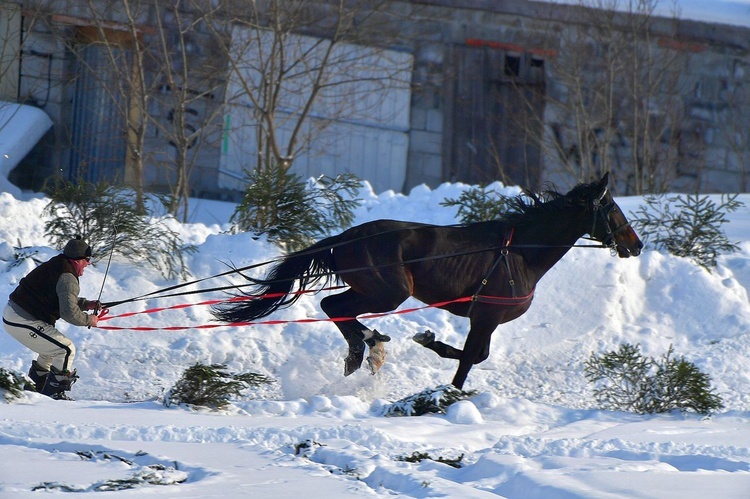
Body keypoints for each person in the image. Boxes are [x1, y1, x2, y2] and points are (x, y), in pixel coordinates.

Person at [2, 237, 100, 400]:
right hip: (22, 319)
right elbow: (69, 313)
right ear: (77, 260)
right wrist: (90, 320)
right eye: (87, 260)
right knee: (66, 349)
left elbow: (60, 298)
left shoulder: (58, 265)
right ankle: (54, 395)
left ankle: (34, 390)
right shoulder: (68, 277)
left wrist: (86, 304)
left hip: (15, 315)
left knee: (51, 351)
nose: (88, 264)